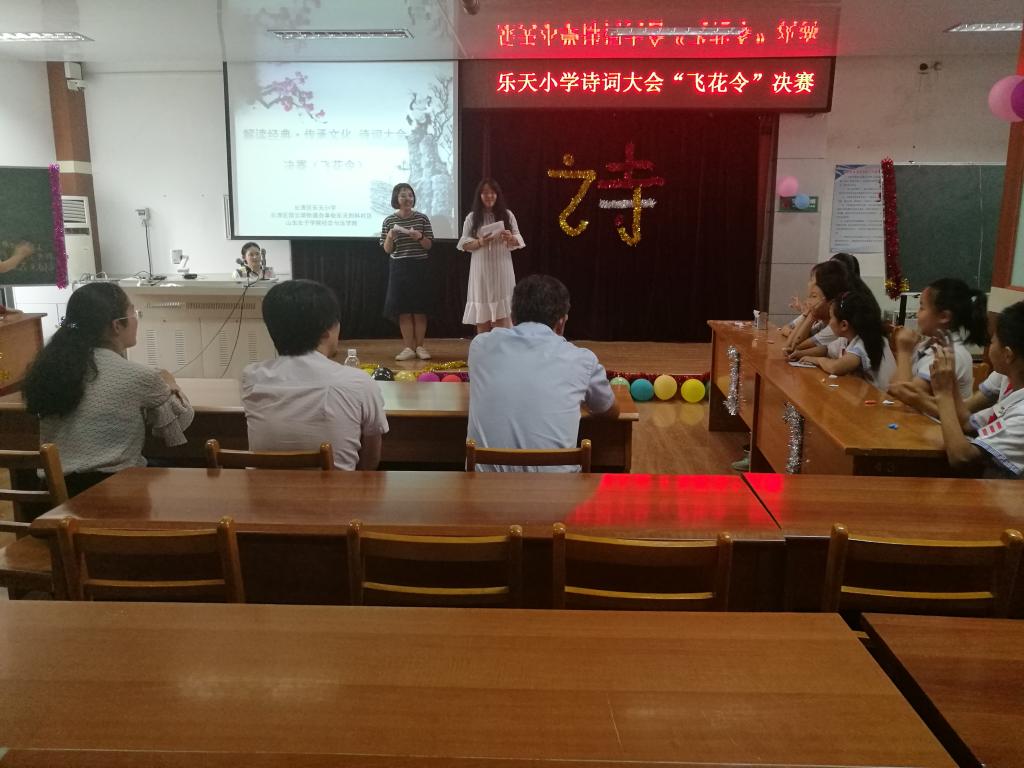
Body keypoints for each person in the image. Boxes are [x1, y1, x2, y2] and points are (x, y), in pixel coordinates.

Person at [22, 282, 193, 497]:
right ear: (117, 325)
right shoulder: (140, 376)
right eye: (133, 313)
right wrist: (170, 384)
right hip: (115, 493)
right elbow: (178, 425)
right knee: (188, 472)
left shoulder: (51, 369)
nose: (136, 319)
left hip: (58, 493)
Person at [467, 274, 619, 472]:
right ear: (561, 322)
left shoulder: (480, 347)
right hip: (556, 489)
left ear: (512, 317)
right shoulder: (582, 360)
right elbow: (610, 411)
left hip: (483, 487)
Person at [241, 279, 388, 470]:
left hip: (263, 489)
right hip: (337, 489)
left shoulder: (252, 377)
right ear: (327, 331)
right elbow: (371, 460)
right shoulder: (359, 383)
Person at [931, 301, 1024, 478]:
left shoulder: (1021, 414)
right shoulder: (1010, 383)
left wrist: (943, 394)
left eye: (992, 341)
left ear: (1007, 355)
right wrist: (950, 379)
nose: (989, 346)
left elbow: (961, 457)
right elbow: (967, 422)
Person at [889, 277, 987, 402]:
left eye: (922, 308)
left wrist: (904, 351)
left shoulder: (952, 354)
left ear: (944, 317)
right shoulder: (926, 345)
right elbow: (892, 388)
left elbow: (904, 396)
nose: (917, 314)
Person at [789, 290, 897, 391]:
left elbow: (836, 367)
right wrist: (801, 354)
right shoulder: (846, 338)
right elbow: (826, 349)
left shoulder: (866, 341)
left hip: (883, 398)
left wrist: (815, 360)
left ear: (844, 325)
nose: (830, 322)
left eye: (831, 317)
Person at [456, 178, 524, 334]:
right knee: (483, 320)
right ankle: (484, 347)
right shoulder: (472, 217)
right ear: (479, 195)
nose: (489, 196)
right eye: (485, 192)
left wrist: (510, 238)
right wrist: (480, 242)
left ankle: (502, 348)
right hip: (481, 270)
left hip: (502, 269)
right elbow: (463, 244)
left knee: (503, 320)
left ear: (497, 195)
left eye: (493, 192)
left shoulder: (507, 215)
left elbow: (518, 238)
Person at [380, 183, 434, 361]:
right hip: (399, 267)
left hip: (419, 267)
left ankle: (420, 346)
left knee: (419, 309)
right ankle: (409, 348)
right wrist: (390, 237)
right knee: (403, 310)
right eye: (403, 195)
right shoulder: (389, 221)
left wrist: (419, 237)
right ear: (396, 198)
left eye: (410, 195)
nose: (407, 199)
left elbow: (429, 245)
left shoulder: (422, 218)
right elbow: (387, 249)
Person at [780, 253, 860, 339]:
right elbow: (787, 330)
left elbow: (797, 342)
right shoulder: (819, 313)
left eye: (814, 296)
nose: (809, 284)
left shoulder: (836, 321)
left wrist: (809, 315)